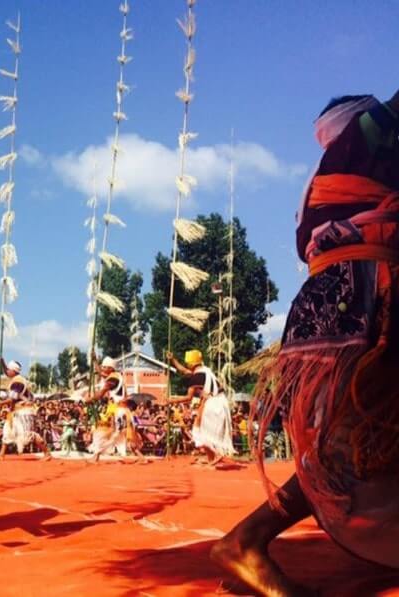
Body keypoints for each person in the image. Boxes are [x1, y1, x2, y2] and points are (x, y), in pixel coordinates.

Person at [212, 90, 399, 595]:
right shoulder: (356, 148)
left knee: (357, 439)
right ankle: (246, 541)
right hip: (360, 301)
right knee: (357, 438)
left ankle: (246, 541)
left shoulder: (333, 175)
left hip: (343, 303)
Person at [168, 350, 234, 467]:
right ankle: (211, 459)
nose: (186, 365)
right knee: (203, 432)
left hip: (212, 403)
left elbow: (188, 398)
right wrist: (173, 360)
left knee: (197, 431)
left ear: (191, 364)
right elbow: (184, 371)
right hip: (221, 401)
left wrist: (170, 400)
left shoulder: (197, 377)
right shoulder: (206, 371)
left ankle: (216, 454)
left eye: (187, 363)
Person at [0, 360, 51, 460]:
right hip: (16, 411)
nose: (6, 372)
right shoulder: (16, 379)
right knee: (7, 430)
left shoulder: (18, 381)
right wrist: (3, 364)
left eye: (8, 369)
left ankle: (47, 453)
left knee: (27, 436)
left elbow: (13, 398)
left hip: (24, 411)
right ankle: (1, 454)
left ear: (13, 371)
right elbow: (7, 373)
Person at [86, 357, 139, 462]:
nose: (103, 368)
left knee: (114, 435)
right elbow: (100, 373)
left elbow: (101, 393)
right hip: (121, 411)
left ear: (111, 369)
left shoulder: (113, 379)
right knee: (120, 435)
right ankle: (141, 457)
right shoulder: (115, 376)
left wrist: (90, 399)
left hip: (120, 411)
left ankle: (96, 456)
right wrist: (95, 360)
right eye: (103, 366)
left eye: (105, 367)